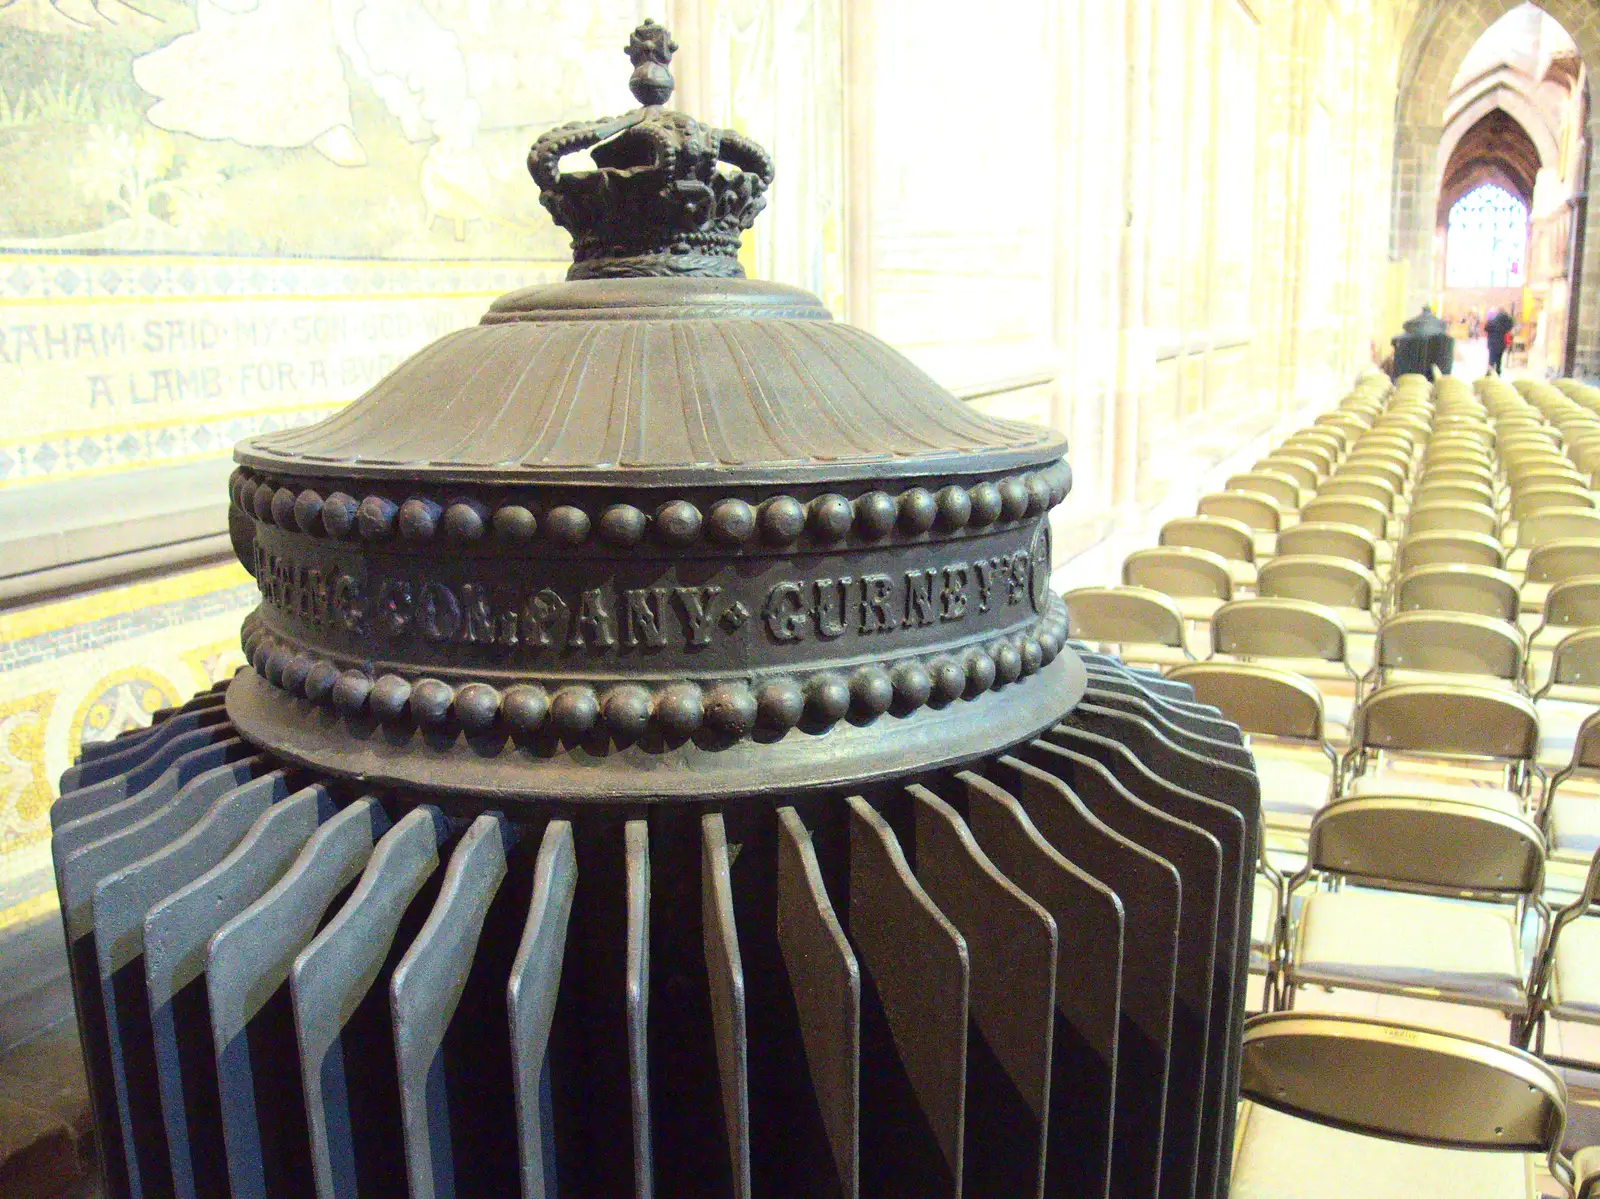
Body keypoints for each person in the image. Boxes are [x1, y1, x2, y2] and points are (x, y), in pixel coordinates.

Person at [1485, 308, 1515, 374]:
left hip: (1492, 343)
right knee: (1499, 361)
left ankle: (1489, 375)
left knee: (1491, 359)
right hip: (1501, 343)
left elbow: (1486, 328)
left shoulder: (1493, 321)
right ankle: (1498, 375)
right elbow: (1510, 326)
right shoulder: (1506, 321)